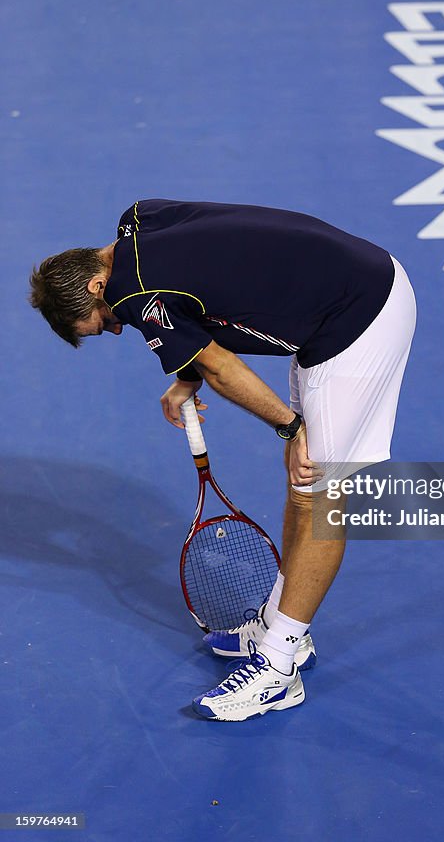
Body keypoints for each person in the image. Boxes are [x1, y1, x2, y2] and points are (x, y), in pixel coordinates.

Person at [29, 198, 416, 722]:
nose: (116, 329)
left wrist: (291, 426)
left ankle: (278, 671)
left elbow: (221, 367)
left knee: (321, 494)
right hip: (348, 282)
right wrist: (183, 373)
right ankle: (285, 628)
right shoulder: (136, 224)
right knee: (302, 486)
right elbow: (199, 282)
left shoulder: (134, 296)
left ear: (98, 287)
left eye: (101, 323)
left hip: (358, 317)